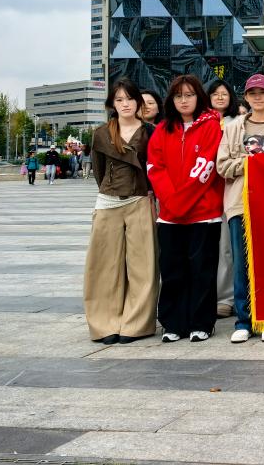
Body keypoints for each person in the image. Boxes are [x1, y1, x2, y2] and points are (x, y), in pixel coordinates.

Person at [146, 75, 225, 343]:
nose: (184, 100)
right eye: (178, 96)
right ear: (171, 100)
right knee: (172, 270)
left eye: (189, 95)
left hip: (204, 213)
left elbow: (207, 166)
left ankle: (201, 323)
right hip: (170, 216)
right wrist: (172, 202)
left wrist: (180, 202)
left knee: (202, 270)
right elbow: (155, 168)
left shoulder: (212, 126)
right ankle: (173, 323)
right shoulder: (162, 129)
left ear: (198, 97)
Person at [217, 74, 264, 344]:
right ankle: (244, 320)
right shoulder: (233, 127)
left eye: (263, 92)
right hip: (239, 201)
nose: (258, 97)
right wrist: (251, 163)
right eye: (252, 93)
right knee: (242, 264)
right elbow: (222, 165)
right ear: (246, 97)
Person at [84, 78, 158, 345]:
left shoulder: (151, 131)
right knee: (104, 265)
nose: (125, 104)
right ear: (112, 104)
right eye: (119, 100)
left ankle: (137, 324)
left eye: (130, 99)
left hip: (140, 199)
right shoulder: (101, 133)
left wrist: (149, 192)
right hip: (108, 201)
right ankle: (105, 324)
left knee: (143, 266)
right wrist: (110, 188)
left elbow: (156, 166)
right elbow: (99, 170)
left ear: (138, 102)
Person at [206, 79, 240, 319]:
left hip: (229, 189)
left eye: (224, 94)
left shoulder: (237, 123)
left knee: (226, 248)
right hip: (204, 190)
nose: (219, 97)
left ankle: (225, 298)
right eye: (215, 94)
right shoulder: (200, 123)